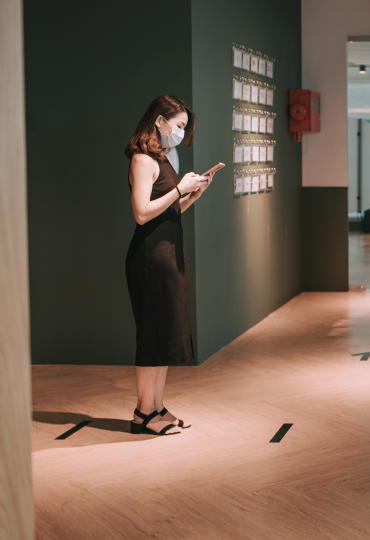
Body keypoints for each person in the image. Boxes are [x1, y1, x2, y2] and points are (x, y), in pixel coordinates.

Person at [124, 95, 217, 435]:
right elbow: (141, 213)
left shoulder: (164, 158)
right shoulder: (142, 160)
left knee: (164, 332)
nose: (180, 132)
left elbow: (166, 213)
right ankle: (142, 413)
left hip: (168, 253)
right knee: (152, 333)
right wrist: (180, 189)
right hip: (150, 258)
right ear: (159, 121)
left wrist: (191, 195)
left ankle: (157, 407)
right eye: (178, 126)